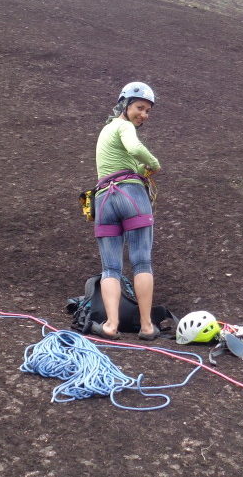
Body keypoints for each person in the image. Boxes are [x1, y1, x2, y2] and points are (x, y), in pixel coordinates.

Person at [90, 82, 161, 340]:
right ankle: (145, 326)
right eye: (140, 108)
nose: (143, 115)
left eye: (147, 111)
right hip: (130, 195)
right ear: (125, 104)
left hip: (103, 200)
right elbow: (134, 149)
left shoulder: (106, 131)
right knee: (141, 261)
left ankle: (110, 325)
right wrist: (153, 163)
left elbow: (122, 162)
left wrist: (141, 170)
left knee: (110, 268)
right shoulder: (124, 126)